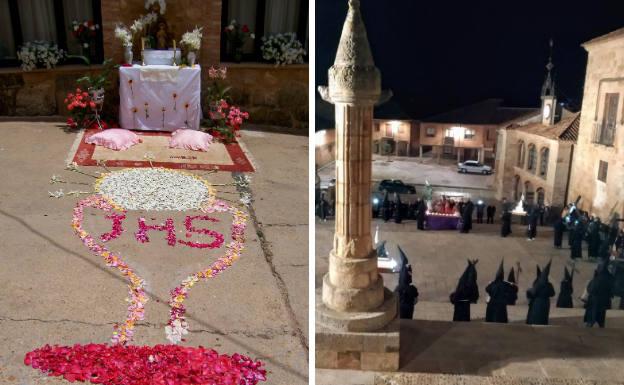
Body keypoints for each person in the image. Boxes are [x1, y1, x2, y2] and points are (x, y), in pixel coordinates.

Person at [584, 262, 614, 328]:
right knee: (601, 316)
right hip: (603, 301)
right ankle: (600, 325)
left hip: (595, 300)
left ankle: (590, 324)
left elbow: (590, 289)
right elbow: (611, 290)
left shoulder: (597, 279)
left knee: (592, 315)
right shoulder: (608, 278)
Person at [526, 260, 555, 325]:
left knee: (537, 315)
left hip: (538, 302)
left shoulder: (538, 284)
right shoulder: (549, 285)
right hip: (545, 302)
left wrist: (529, 292)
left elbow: (533, 292)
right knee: (542, 316)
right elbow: (553, 293)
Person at [395, 246, 419, 319]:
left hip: (400, 309)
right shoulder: (413, 289)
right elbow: (415, 300)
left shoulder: (398, 288)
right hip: (408, 310)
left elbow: (394, 298)